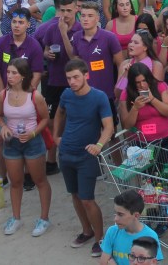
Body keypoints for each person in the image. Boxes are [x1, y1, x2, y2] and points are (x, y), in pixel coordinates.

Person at [54, 58, 115, 258]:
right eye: (69, 78)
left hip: (87, 155)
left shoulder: (99, 97)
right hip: (66, 153)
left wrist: (99, 145)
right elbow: (59, 113)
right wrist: (56, 136)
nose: (72, 82)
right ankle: (86, 231)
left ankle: (100, 239)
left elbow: (109, 127)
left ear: (86, 75)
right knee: (75, 195)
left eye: (76, 77)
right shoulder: (66, 94)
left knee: (87, 198)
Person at [0, 56, 51, 237]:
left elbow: (45, 119)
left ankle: (44, 218)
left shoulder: (35, 96)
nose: (9, 76)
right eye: (8, 72)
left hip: (32, 141)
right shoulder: (3, 94)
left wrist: (33, 133)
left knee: (40, 180)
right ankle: (16, 217)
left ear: (23, 76)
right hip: (12, 142)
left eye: (14, 73)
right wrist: (3, 126)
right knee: (15, 182)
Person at [100, 190, 164, 265]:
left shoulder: (150, 236)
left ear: (136, 216)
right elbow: (103, 262)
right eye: (116, 213)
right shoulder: (112, 232)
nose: (115, 219)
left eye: (120, 214)